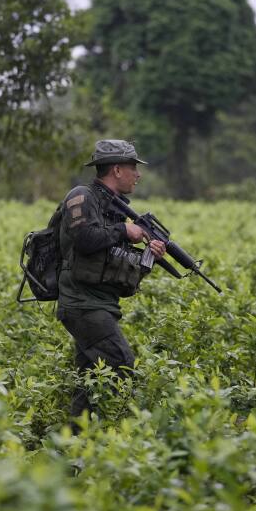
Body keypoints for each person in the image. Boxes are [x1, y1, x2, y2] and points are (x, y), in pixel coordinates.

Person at [57, 139, 166, 429]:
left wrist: (148, 257)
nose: (138, 175)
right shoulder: (81, 196)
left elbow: (119, 271)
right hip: (82, 304)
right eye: (133, 168)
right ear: (117, 170)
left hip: (102, 304)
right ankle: (100, 434)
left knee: (93, 377)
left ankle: (74, 445)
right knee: (120, 360)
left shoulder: (116, 208)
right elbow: (85, 239)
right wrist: (124, 230)